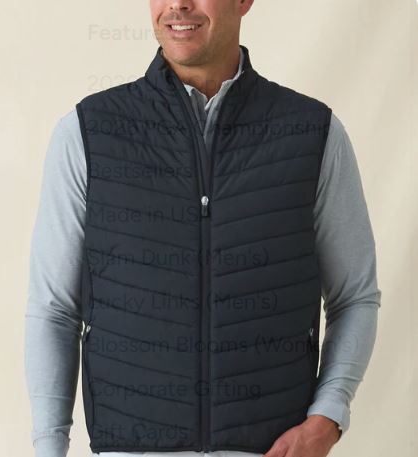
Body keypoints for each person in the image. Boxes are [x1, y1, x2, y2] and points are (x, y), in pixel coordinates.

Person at [24, 1, 382, 457]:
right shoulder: (88, 133)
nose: (178, 4)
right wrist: (48, 448)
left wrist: (327, 418)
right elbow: (54, 309)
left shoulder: (312, 133)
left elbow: (355, 297)